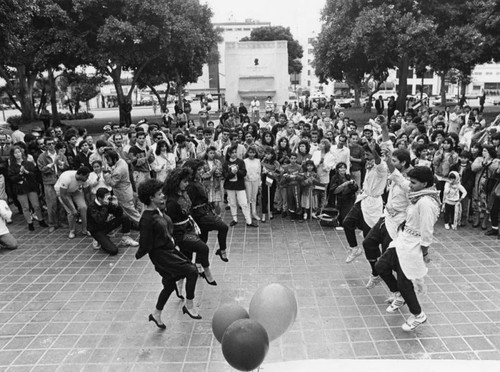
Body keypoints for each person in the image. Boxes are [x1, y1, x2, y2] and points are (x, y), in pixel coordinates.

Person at [374, 166, 440, 331]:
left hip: (413, 246)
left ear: (424, 183)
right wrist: (389, 161)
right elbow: (401, 181)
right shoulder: (418, 194)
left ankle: (418, 315)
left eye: (414, 182)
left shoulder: (426, 202)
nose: (410, 185)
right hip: (402, 240)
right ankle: (400, 296)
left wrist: (423, 252)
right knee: (381, 266)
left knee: (405, 282)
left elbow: (427, 231)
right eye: (411, 181)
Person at [135, 179, 201, 328]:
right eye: (159, 194)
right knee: (192, 271)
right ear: (151, 197)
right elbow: (145, 243)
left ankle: (156, 314)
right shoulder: (146, 218)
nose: (163, 196)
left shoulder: (159, 210)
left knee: (170, 285)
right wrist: (139, 254)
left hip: (170, 250)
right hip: (161, 255)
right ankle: (189, 304)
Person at [164, 167, 217, 285]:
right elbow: (170, 222)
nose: (187, 184)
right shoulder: (171, 201)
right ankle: (207, 272)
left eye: (187, 181)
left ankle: (180, 285)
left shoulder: (184, 193)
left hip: (189, 227)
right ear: (177, 182)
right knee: (203, 248)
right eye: (184, 181)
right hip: (180, 232)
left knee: (186, 259)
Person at [343, 142, 388, 263]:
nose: (365, 156)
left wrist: (375, 152)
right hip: (363, 198)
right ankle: (354, 248)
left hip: (373, 203)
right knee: (347, 222)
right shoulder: (369, 164)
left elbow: (379, 162)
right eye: (365, 154)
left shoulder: (382, 167)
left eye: (368, 154)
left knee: (369, 241)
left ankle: (376, 270)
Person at [184, 160, 229, 262]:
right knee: (223, 227)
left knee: (203, 241)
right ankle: (222, 250)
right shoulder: (191, 185)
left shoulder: (197, 181)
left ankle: (199, 266)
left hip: (204, 211)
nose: (201, 171)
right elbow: (189, 204)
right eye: (198, 169)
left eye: (201, 169)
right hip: (199, 215)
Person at [87, 187, 138, 255]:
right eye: (105, 197)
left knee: (124, 217)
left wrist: (116, 205)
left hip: (105, 226)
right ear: (99, 198)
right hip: (96, 230)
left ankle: (125, 238)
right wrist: (105, 206)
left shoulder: (107, 203)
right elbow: (100, 220)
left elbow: (119, 214)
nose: (108, 199)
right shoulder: (92, 206)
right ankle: (98, 240)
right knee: (113, 250)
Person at [8, 146, 48, 231]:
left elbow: (34, 175)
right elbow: (12, 179)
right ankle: (30, 223)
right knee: (25, 207)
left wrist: (26, 172)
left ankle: (41, 220)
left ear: (22, 153)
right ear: (13, 155)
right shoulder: (12, 166)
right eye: (15, 153)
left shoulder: (28, 163)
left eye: (19, 152)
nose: (18, 154)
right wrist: (20, 174)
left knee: (36, 205)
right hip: (20, 188)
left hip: (30, 186)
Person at [103, 150, 142, 226]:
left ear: (114, 159)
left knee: (132, 213)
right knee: (128, 211)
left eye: (108, 160)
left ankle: (143, 224)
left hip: (123, 194)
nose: (107, 162)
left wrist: (106, 175)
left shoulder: (118, 171)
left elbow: (113, 183)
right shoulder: (121, 161)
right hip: (126, 190)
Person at [223, 144, 258, 227]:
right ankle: (234, 219)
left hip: (239, 186)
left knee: (244, 203)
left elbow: (244, 173)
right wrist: (232, 173)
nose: (234, 154)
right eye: (232, 153)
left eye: (235, 152)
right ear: (229, 154)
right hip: (230, 186)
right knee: (232, 203)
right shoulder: (225, 163)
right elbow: (225, 175)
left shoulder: (240, 162)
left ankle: (248, 221)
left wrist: (237, 171)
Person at [37, 138, 68, 233]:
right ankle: (52, 223)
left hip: (60, 180)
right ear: (45, 145)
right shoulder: (42, 156)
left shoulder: (60, 155)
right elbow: (41, 169)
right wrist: (51, 165)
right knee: (51, 204)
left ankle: (62, 221)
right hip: (49, 182)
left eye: (53, 143)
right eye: (49, 144)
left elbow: (67, 166)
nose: (51, 145)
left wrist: (62, 165)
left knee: (62, 202)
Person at [54, 167, 91, 238]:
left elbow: (86, 193)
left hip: (75, 190)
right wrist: (72, 209)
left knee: (83, 207)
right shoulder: (67, 178)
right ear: (80, 175)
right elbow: (63, 195)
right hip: (63, 193)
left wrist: (89, 204)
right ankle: (72, 231)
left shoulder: (85, 179)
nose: (88, 178)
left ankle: (85, 229)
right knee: (71, 212)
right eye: (86, 176)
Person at [243, 146, 262, 221]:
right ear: (247, 153)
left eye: (253, 152)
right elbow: (243, 171)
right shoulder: (245, 161)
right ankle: (248, 214)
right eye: (250, 152)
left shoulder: (257, 161)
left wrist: (259, 182)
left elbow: (259, 171)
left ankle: (254, 213)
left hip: (255, 180)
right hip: (247, 181)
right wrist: (245, 177)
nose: (252, 154)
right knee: (248, 198)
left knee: (254, 198)